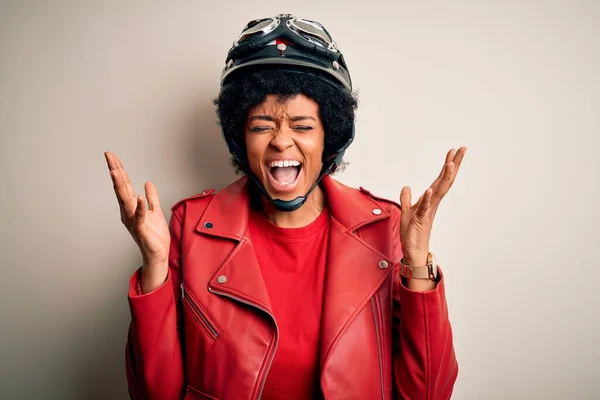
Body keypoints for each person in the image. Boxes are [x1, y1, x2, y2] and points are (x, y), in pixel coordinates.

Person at [105, 14, 466, 400]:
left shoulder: (385, 228)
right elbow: (153, 393)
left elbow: (429, 394)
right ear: (239, 136)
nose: (281, 141)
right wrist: (154, 267)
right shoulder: (189, 225)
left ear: (330, 135)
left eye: (303, 126)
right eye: (262, 126)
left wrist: (417, 268)